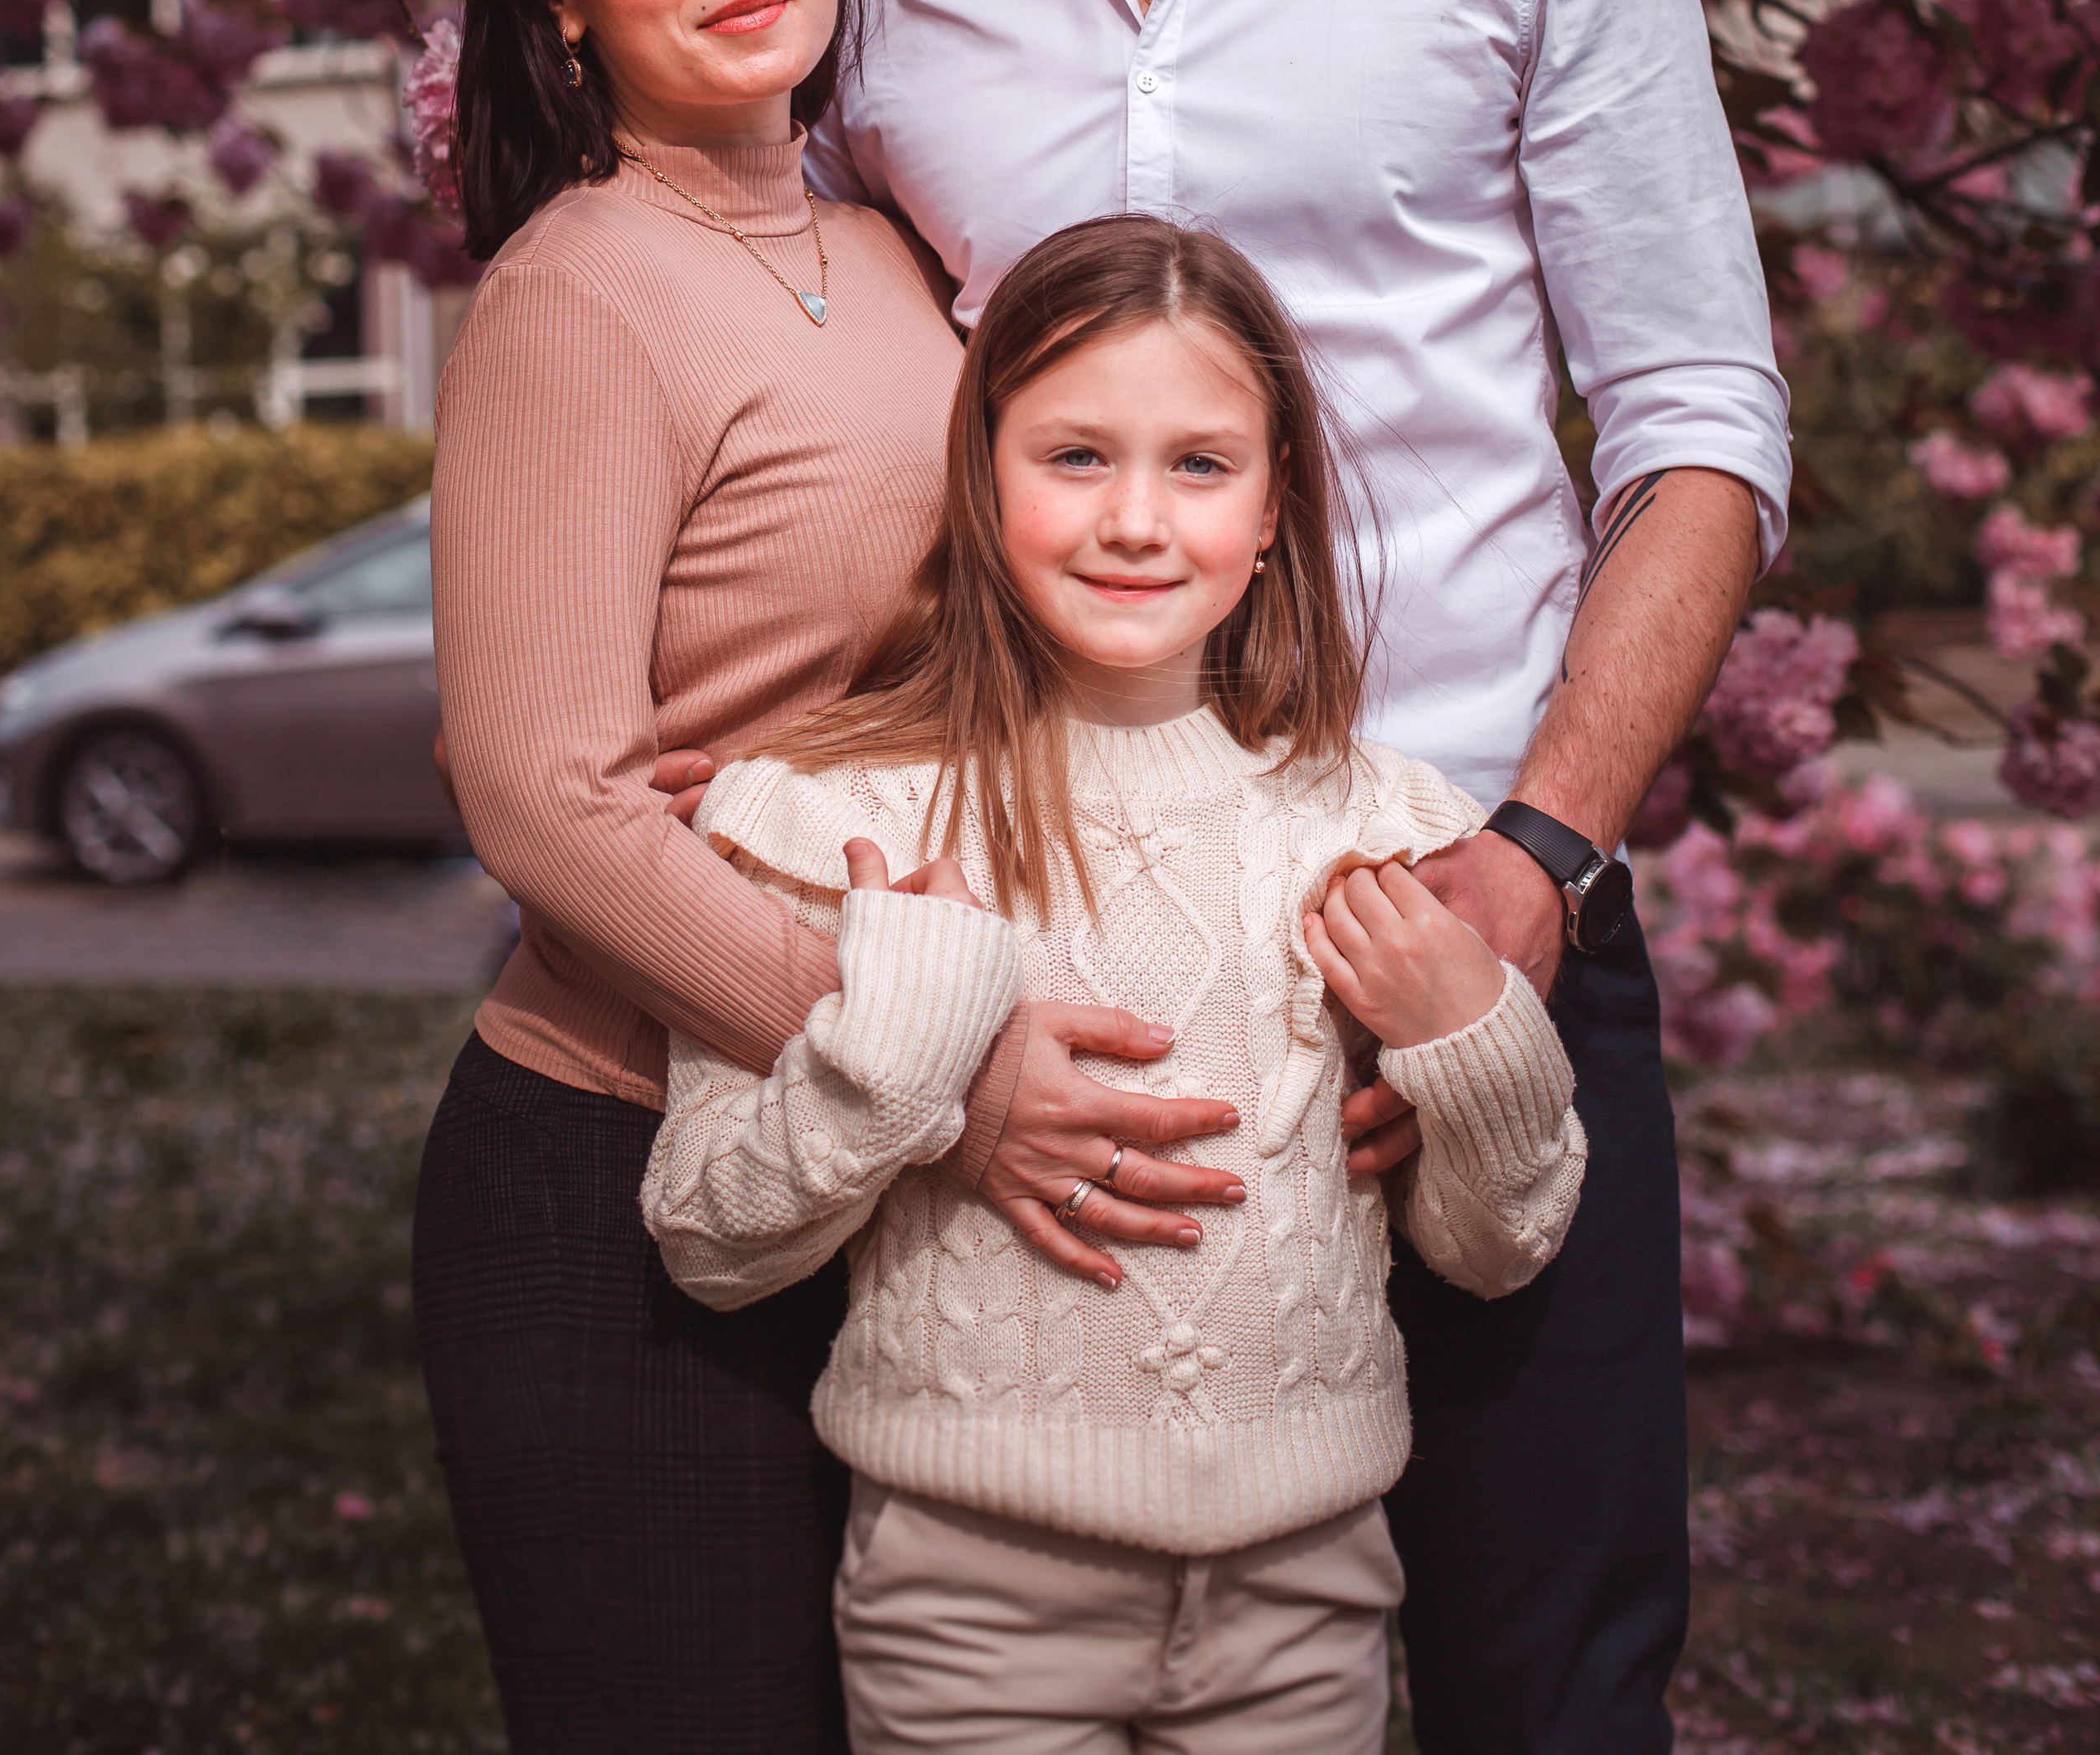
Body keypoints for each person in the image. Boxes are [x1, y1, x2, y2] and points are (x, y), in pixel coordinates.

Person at [776, 0, 1791, 1755]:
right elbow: (809, 419)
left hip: (1475, 906)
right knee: (1080, 1666)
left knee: (1553, 1687)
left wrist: (1532, 870)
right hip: (1064, 977)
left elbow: (1698, 418)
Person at [415, 0, 1251, 1755]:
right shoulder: (575, 289)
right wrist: (940, 1066)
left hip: (853, 1170)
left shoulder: (890, 254)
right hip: (614, 1164)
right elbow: (540, 797)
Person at [643, 216, 1587, 1755]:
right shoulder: (833, 820)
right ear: (983, 473)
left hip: (1311, 1602)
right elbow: (711, 1241)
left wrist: (1470, 1037)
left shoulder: (1393, 828)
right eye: (1075, 456)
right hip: (972, 1608)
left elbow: (1499, 1246)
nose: (1136, 521)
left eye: (1201, 466)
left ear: (1277, 504)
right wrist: (900, 1044)